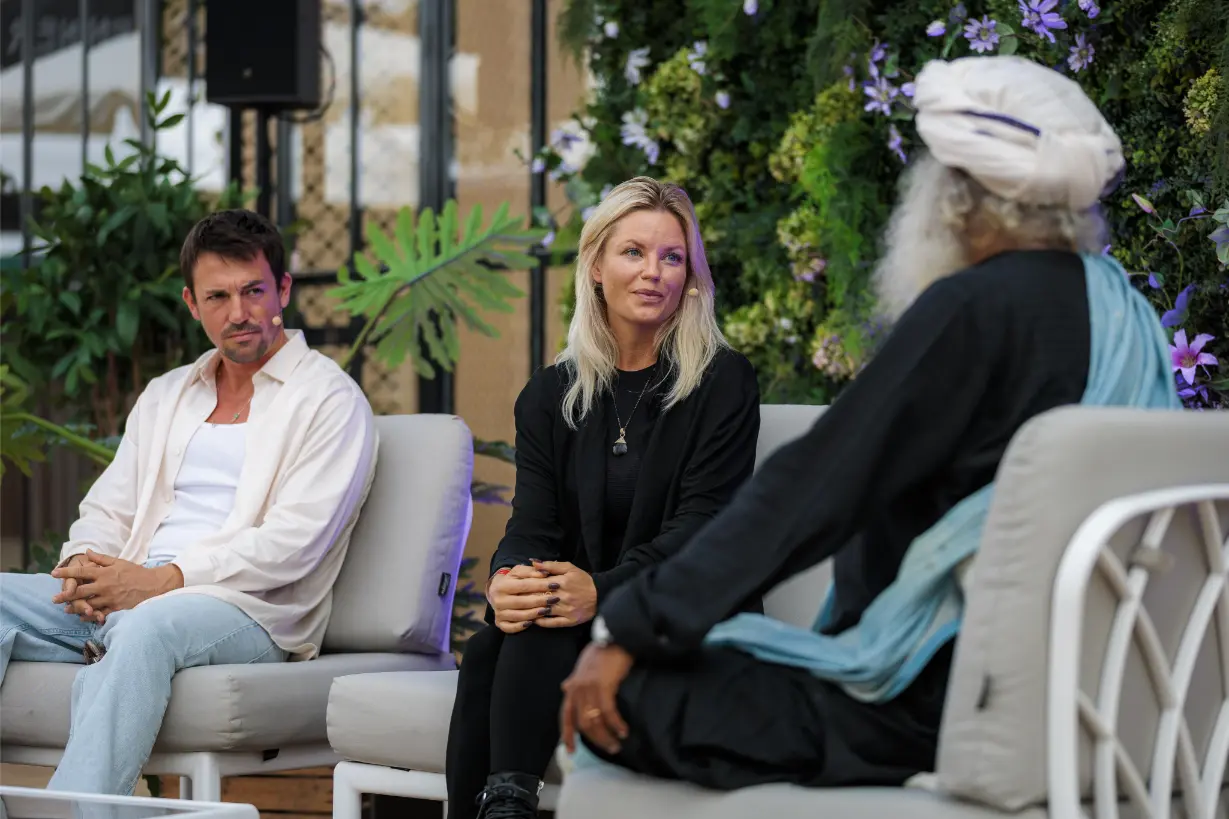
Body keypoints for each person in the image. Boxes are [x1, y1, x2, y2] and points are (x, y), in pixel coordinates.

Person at [559, 56, 1181, 788]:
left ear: (955, 196)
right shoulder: (1123, 310)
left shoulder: (974, 309)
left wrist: (635, 626)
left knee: (630, 695)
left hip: (935, 699)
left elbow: (815, 485)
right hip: (1093, 691)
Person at [0, 209, 378, 795]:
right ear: (192, 304)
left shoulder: (329, 400)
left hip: (246, 607)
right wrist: (83, 565)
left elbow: (293, 543)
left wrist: (161, 581)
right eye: (218, 296)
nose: (239, 313)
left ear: (283, 289)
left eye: (254, 291)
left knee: (148, 626)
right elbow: (109, 506)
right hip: (135, 587)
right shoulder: (167, 394)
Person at [446, 177, 760, 818]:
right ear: (595, 266)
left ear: (690, 276)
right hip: (574, 613)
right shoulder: (550, 394)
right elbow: (533, 522)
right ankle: (506, 804)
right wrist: (509, 578)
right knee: (509, 632)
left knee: (518, 638)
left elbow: (704, 529)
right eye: (633, 252)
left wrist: (602, 591)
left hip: (682, 611)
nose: (653, 272)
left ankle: (505, 803)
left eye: (672, 257)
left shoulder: (722, 381)